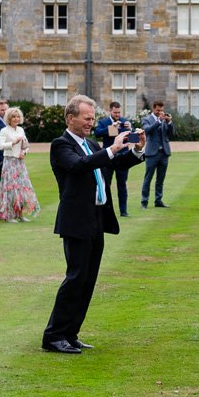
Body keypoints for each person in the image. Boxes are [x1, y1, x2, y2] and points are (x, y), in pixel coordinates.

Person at [43, 94, 142, 353]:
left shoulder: (91, 144)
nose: (90, 123)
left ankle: (70, 333)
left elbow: (115, 162)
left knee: (88, 280)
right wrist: (111, 148)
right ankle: (53, 336)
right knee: (75, 277)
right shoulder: (61, 145)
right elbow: (79, 166)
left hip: (97, 218)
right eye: (86, 118)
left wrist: (136, 148)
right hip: (76, 221)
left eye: (92, 118)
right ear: (70, 118)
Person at [0, 107, 41, 221]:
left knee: (22, 188)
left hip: (20, 163)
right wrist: (12, 143)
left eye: (17, 116)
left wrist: (24, 152)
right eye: (13, 117)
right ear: (9, 118)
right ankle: (10, 215)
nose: (16, 119)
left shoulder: (21, 130)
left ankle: (20, 214)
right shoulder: (4, 130)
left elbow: (26, 146)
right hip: (9, 162)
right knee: (11, 189)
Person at [94, 100, 133, 215]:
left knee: (122, 185)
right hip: (108, 157)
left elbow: (134, 139)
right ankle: (106, 211)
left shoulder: (125, 122)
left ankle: (124, 211)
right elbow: (97, 133)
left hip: (122, 157)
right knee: (106, 184)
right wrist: (112, 128)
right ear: (110, 111)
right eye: (115, 112)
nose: (117, 115)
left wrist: (131, 129)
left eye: (119, 112)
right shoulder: (104, 122)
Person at [139, 100, 173, 208]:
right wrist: (158, 121)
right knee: (148, 178)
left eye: (162, 110)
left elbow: (171, 133)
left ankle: (158, 200)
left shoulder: (164, 119)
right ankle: (144, 202)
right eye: (158, 110)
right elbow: (147, 130)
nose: (160, 112)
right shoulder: (146, 119)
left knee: (160, 179)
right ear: (153, 109)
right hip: (151, 153)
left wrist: (169, 122)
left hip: (164, 152)